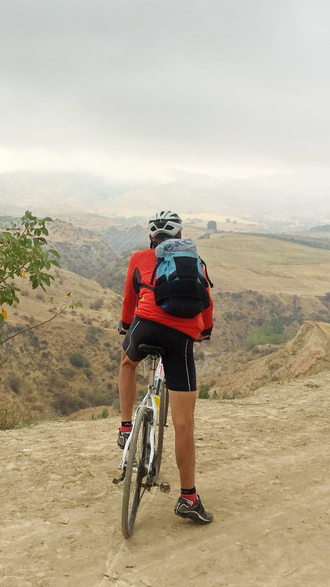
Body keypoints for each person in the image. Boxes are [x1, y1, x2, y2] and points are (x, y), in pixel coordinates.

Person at [117, 211, 215, 524]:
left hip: (145, 325)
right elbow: (207, 303)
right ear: (181, 236)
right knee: (184, 423)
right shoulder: (195, 260)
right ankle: (188, 497)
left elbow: (130, 299)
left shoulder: (138, 257)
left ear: (151, 238)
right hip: (183, 336)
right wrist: (204, 332)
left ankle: (125, 426)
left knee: (127, 363)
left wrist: (126, 326)